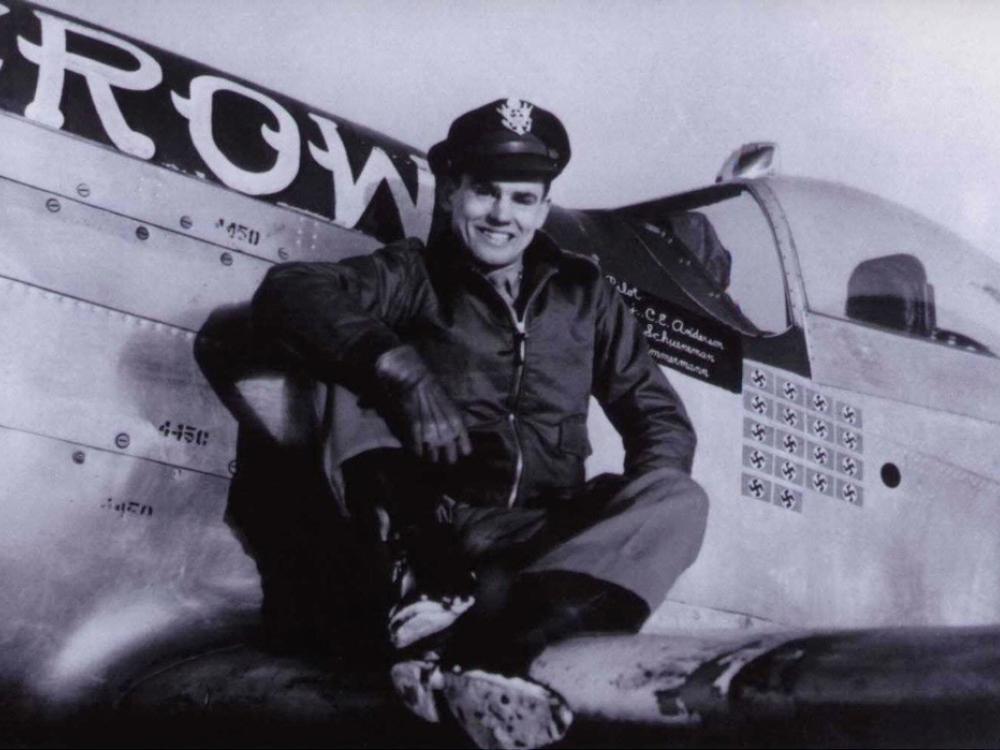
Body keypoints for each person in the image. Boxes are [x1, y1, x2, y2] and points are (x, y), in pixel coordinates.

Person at [249, 98, 709, 749]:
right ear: (451, 196)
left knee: (678, 496)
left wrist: (620, 525)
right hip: (434, 529)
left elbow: (657, 417)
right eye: (485, 193)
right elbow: (292, 290)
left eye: (523, 199)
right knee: (342, 370)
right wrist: (399, 368)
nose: (502, 214)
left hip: (538, 539)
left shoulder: (586, 296)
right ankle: (448, 613)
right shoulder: (413, 275)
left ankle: (493, 644)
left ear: (543, 209)